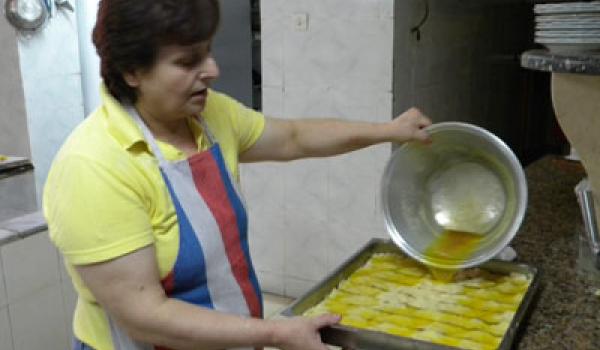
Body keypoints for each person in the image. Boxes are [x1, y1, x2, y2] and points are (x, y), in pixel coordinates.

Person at [43, 1, 432, 349]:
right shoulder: (93, 166)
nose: (212, 70)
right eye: (187, 61)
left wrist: (388, 131)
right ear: (132, 71)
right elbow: (144, 317)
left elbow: (296, 137)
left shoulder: (209, 117)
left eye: (208, 52)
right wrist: (274, 332)